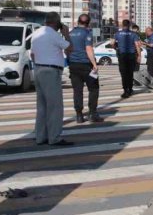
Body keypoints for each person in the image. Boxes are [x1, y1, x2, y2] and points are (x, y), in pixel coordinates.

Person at [30, 12, 72, 146]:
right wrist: (66, 34)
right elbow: (70, 49)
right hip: (51, 71)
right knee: (54, 106)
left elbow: (32, 55)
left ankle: (40, 136)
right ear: (57, 22)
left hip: (38, 69)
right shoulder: (53, 34)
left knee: (42, 106)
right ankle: (54, 137)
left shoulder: (37, 33)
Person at [68, 14, 102, 124]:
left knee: (77, 91)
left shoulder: (70, 33)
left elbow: (66, 49)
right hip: (86, 65)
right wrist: (94, 65)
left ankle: (79, 115)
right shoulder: (87, 33)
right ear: (88, 23)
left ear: (78, 21)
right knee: (94, 88)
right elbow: (88, 49)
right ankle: (92, 113)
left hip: (73, 66)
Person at [113, 20, 140, 98]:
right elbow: (137, 46)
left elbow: (112, 43)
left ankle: (125, 91)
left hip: (122, 56)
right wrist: (139, 56)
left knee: (123, 74)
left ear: (122, 25)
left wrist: (116, 48)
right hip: (131, 55)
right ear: (129, 25)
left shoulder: (117, 34)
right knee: (130, 73)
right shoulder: (134, 34)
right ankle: (130, 89)